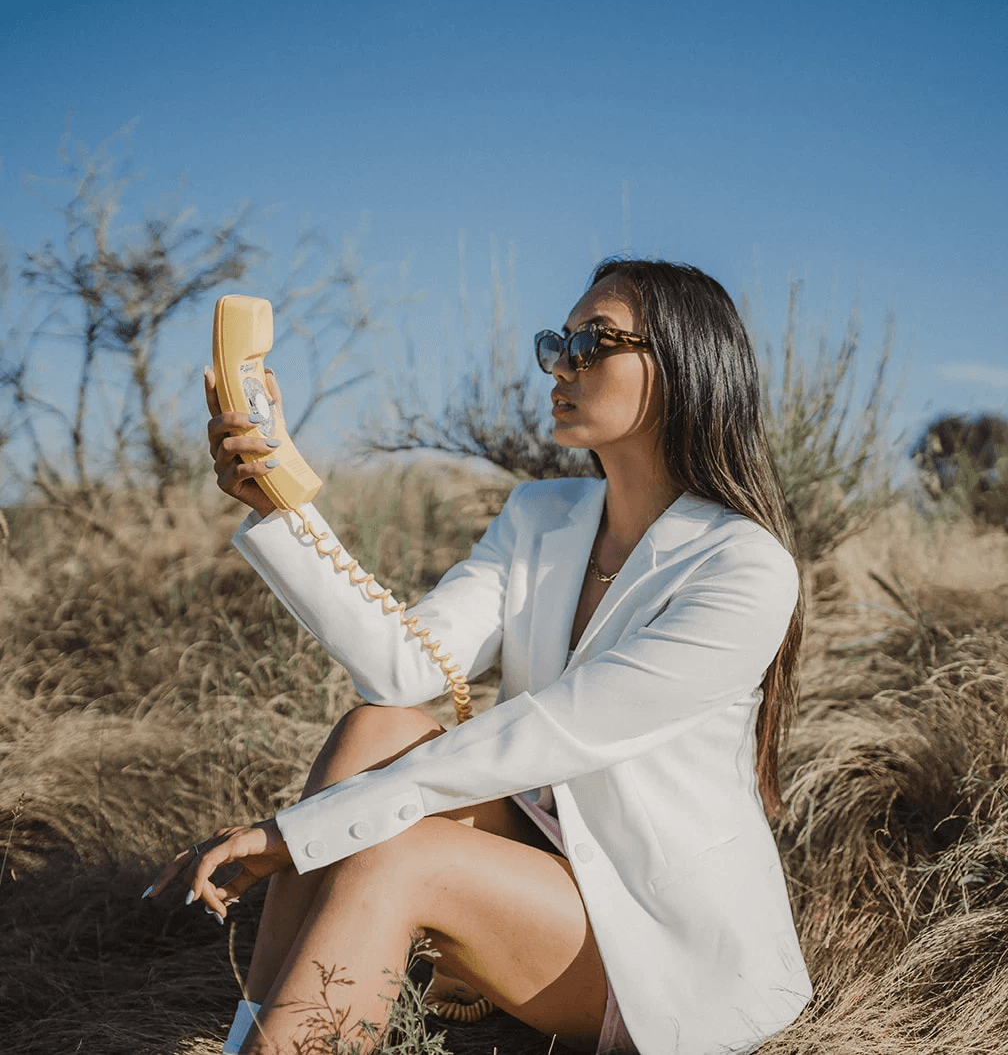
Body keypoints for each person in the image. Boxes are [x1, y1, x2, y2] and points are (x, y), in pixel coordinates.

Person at [146, 258, 812, 1055]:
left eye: (592, 343)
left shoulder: (744, 567)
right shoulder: (541, 514)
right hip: (543, 862)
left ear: (684, 367)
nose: (560, 365)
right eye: (556, 343)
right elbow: (403, 668)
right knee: (376, 728)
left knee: (404, 857)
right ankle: (252, 1038)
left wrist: (296, 831)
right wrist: (281, 506)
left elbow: (556, 729)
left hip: (660, 938)